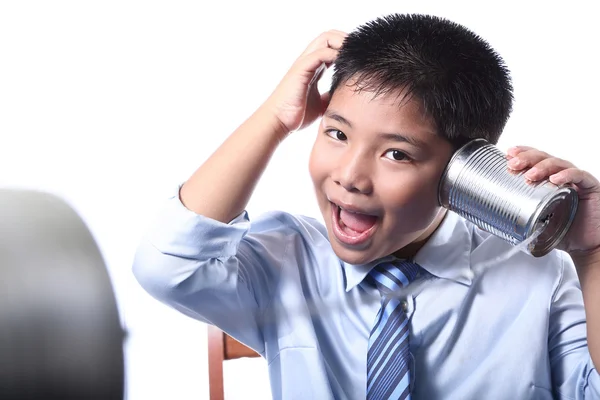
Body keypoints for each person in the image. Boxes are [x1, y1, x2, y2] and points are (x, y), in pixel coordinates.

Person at [132, 13, 600, 399]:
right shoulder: (285, 260)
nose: (350, 177)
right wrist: (275, 119)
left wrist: (594, 254)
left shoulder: (542, 275)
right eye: (336, 133)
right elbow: (166, 266)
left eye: (396, 153)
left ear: (468, 171)